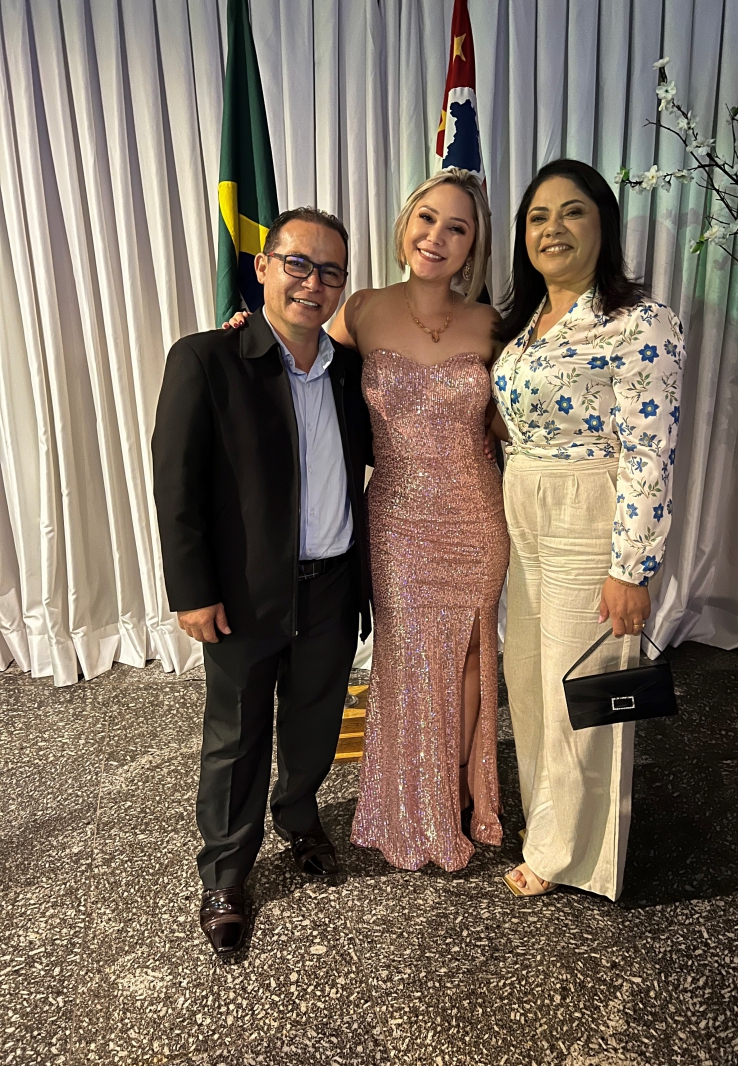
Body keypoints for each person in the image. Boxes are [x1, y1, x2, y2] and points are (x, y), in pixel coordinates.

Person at [152, 207, 372, 955]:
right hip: (245, 593)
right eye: (298, 264)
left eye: (331, 271)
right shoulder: (207, 359)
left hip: (334, 583)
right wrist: (192, 590)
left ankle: (300, 817)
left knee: (314, 724)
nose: (314, 282)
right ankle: (225, 871)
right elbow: (176, 486)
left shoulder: (350, 371)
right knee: (237, 735)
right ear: (264, 267)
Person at [490, 159, 684, 900]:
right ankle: (550, 820)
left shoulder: (639, 322)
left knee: (582, 686)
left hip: (587, 510)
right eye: (538, 216)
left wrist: (632, 568)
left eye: (572, 211)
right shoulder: (523, 325)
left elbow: (650, 452)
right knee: (530, 677)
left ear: (603, 223)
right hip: (524, 508)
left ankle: (568, 851)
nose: (554, 228)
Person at [331, 169, 509, 871]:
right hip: (399, 518)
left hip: (476, 513)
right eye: (427, 218)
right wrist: (242, 332)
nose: (437, 236)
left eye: (457, 227)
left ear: (473, 246)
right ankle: (413, 798)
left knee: (470, 656)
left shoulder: (492, 324)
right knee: (408, 657)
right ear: (406, 224)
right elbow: (296, 362)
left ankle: (459, 795)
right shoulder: (362, 309)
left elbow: (516, 417)